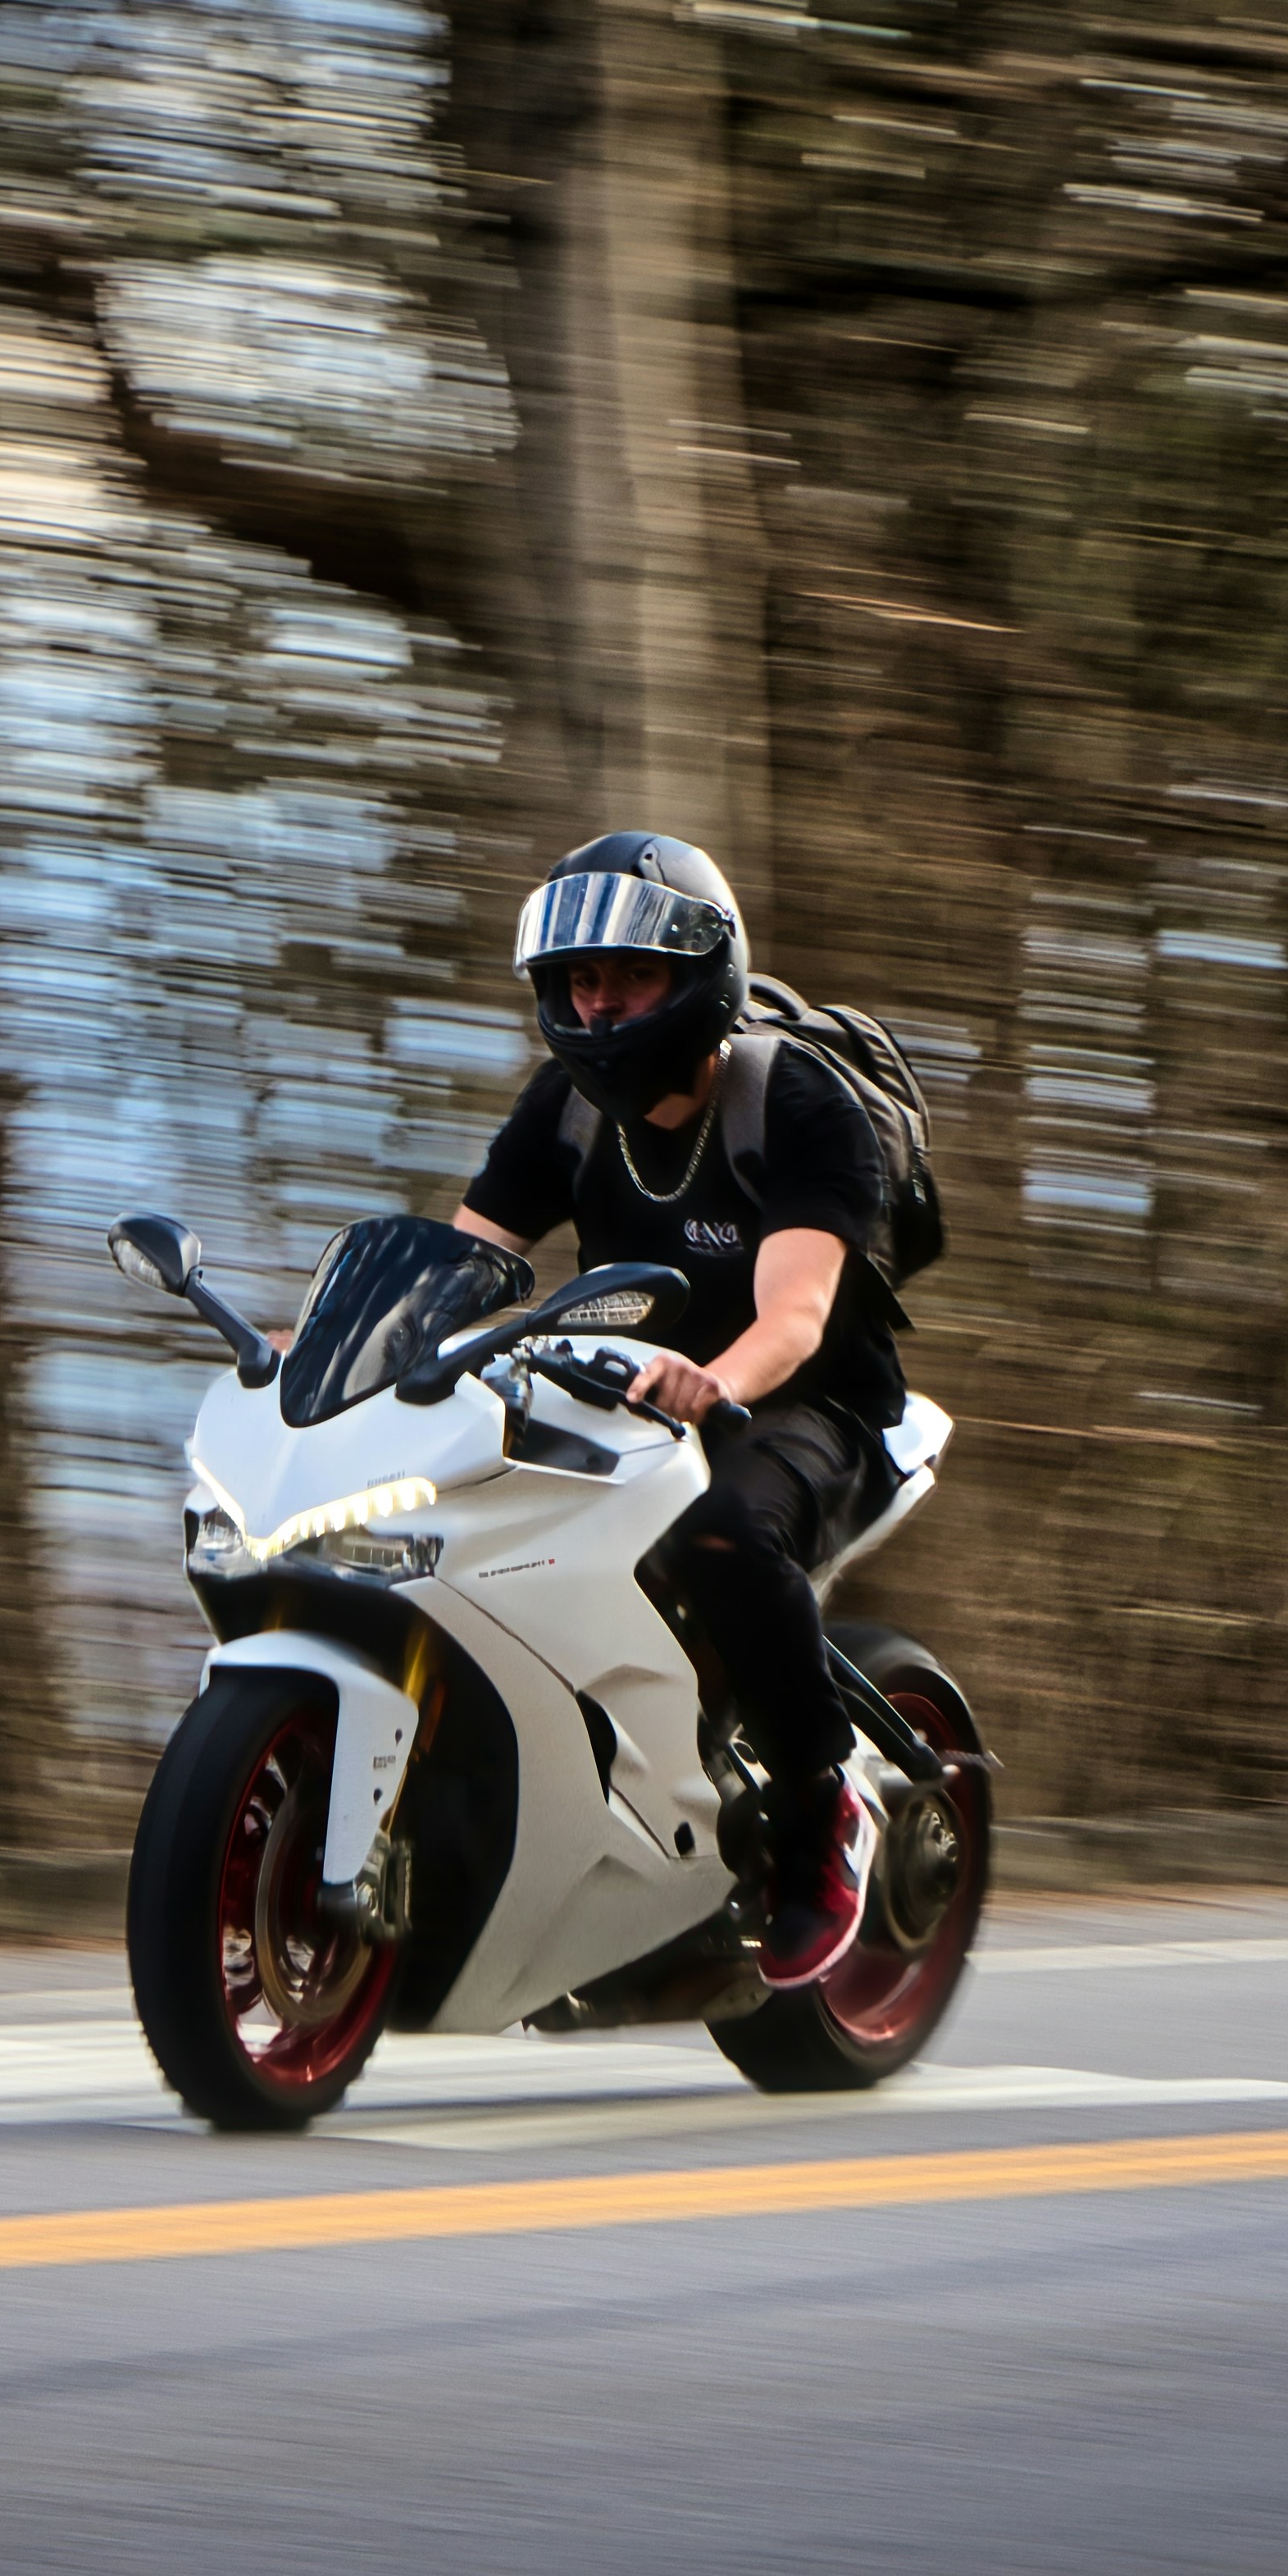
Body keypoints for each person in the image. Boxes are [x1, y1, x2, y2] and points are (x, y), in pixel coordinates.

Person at [452, 832, 908, 1989]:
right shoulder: (564, 1108)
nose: (599, 1009)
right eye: (578, 983)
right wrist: (338, 1339)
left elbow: (797, 1315)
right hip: (626, 1405)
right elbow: (462, 1261)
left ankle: (820, 1805)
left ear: (697, 977)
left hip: (804, 1410)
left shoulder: (794, 1100)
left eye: (632, 979)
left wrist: (718, 1382)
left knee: (720, 1536)